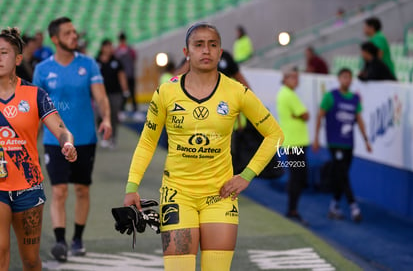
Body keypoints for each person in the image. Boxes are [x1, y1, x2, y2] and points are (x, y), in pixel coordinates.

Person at [123, 22, 284, 271]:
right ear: (186, 52)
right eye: (199, 45)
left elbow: (274, 134)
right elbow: (147, 142)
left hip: (220, 196)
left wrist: (246, 176)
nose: (206, 50)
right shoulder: (165, 92)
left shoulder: (237, 92)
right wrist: (132, 186)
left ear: (220, 53)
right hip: (177, 195)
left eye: (213, 45)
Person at [33, 17, 112, 262]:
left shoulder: (88, 64)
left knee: (81, 189)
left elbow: (100, 97)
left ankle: (77, 238)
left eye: (75, 32)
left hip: (85, 138)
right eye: (68, 33)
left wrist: (106, 118)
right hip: (53, 140)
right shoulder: (42, 69)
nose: (74, 36)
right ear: (55, 39)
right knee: (58, 192)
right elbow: (34, 107)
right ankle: (59, 242)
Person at [0, 27, 77, 271]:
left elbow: (61, 128)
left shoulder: (35, 94)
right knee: (0, 250)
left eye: (3, 53)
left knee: (31, 261)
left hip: (29, 187)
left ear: (18, 59)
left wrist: (67, 143)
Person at [313, 68, 372, 222]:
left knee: (341, 174)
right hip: (335, 142)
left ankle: (334, 206)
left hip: (348, 143)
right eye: (344, 77)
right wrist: (316, 138)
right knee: (343, 174)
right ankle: (354, 207)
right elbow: (320, 116)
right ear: (339, 79)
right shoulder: (330, 97)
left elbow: (359, 120)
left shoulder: (354, 99)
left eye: (349, 77)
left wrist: (366, 140)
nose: (347, 80)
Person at [276, 67, 309, 224]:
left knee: (296, 176)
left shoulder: (284, 93)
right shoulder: (289, 95)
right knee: (298, 177)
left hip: (292, 142)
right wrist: (300, 115)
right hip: (295, 142)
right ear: (286, 78)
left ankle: (292, 208)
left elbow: (302, 115)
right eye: (294, 78)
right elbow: (306, 115)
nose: (297, 81)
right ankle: (292, 210)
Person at [96, 39, 129, 149]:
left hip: (115, 93)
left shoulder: (116, 61)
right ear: (102, 48)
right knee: (100, 115)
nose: (110, 49)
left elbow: (121, 76)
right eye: (107, 47)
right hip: (100, 94)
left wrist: (125, 90)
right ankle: (104, 136)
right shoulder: (96, 62)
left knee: (113, 116)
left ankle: (113, 138)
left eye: (111, 47)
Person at [115, 32, 138, 113]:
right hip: (126, 74)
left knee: (129, 92)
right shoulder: (129, 50)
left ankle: (128, 108)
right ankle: (124, 108)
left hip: (127, 74)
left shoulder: (119, 51)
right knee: (126, 92)